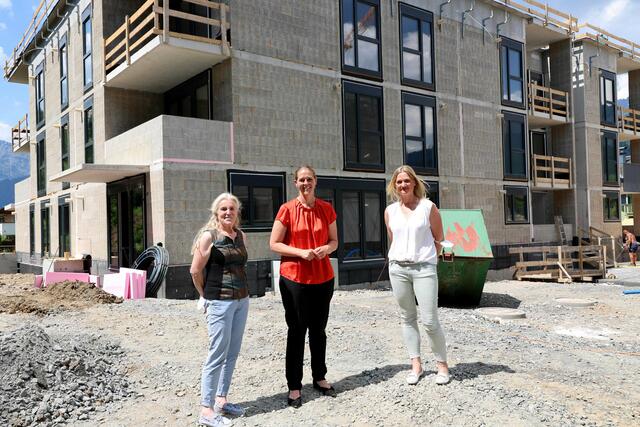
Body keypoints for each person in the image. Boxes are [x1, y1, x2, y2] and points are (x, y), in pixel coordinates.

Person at [269, 165, 339, 408]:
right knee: (297, 331)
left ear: (315, 181)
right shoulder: (287, 210)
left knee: (319, 331)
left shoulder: (326, 209)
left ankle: (319, 377)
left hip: (323, 278)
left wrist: (326, 249)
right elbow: (274, 244)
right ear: (295, 183)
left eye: (309, 179)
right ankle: (294, 386)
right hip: (295, 279)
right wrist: (301, 252)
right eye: (301, 180)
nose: (305, 183)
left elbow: (334, 241)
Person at [384, 165, 450, 386]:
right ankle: (416, 365)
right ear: (395, 185)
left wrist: (429, 260)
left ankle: (442, 365)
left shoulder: (428, 207)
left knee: (430, 320)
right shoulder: (390, 211)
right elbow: (394, 239)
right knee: (407, 317)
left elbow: (439, 239)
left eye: (406, 181)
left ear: (414, 183)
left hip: (424, 269)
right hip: (398, 269)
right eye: (399, 182)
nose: (403, 185)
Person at [190, 193, 250, 427]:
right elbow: (195, 271)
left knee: (232, 352)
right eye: (223, 209)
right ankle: (206, 410)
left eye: (232, 209)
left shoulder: (241, 236)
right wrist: (206, 295)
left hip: (241, 301)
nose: (228, 212)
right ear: (216, 213)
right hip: (219, 302)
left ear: (237, 212)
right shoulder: (209, 237)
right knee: (217, 354)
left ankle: (221, 401)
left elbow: (241, 265)